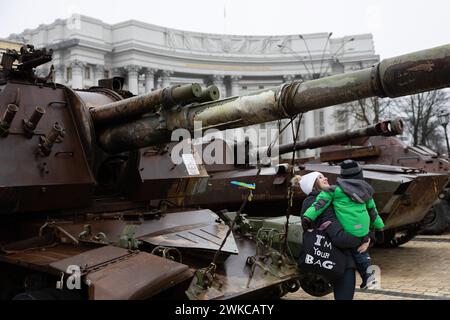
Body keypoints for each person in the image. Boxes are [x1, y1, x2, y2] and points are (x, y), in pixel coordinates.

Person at [302, 160, 384, 289]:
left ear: (342, 175)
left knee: (356, 252)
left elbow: (319, 205)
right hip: (362, 230)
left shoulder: (334, 191)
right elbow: (373, 212)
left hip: (347, 232)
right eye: (320, 177)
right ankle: (368, 276)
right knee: (361, 255)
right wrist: (379, 227)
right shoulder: (367, 191)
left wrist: (307, 217)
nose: (325, 178)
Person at [297, 171, 371, 300]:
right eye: (319, 177)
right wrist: (363, 239)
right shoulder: (317, 204)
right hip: (339, 260)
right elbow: (339, 237)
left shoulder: (326, 200)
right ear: (313, 184)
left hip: (333, 259)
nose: (325, 178)